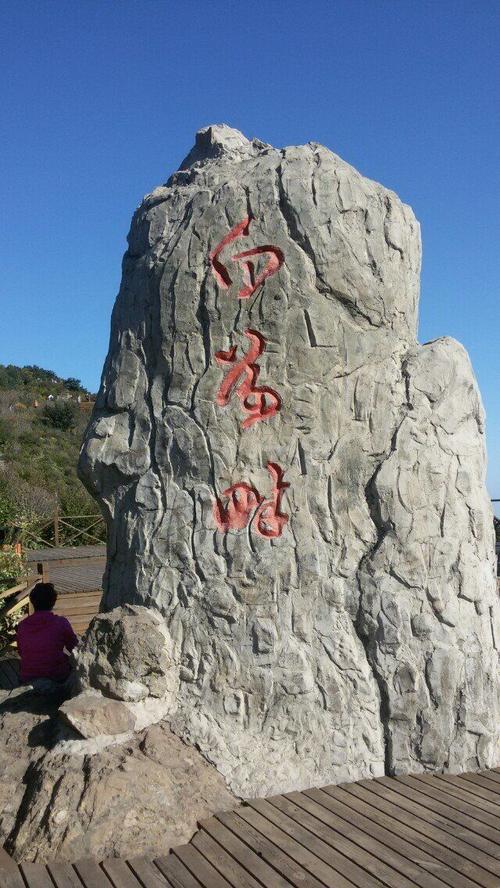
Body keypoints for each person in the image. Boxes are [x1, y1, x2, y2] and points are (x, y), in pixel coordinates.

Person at [16, 582, 78, 692]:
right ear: (53, 602)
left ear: (32, 601)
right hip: (57, 675)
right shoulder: (61, 623)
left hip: (28, 675)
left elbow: (21, 651)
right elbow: (74, 648)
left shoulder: (22, 626)